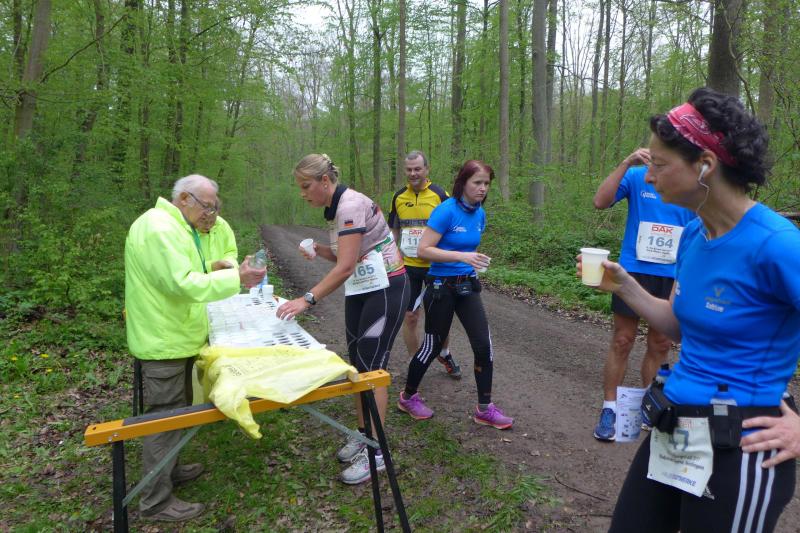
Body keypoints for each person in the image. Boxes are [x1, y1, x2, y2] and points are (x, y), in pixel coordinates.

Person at [577, 88, 800, 532]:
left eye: (659, 165)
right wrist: (625, 286)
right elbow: (679, 328)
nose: (649, 177)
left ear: (705, 165)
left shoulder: (777, 245)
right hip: (674, 425)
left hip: (743, 445)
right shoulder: (695, 236)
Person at [125, 174, 265, 522]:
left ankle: (170, 470)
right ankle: (155, 502)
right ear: (185, 198)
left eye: (214, 207)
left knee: (177, 413)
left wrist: (211, 267)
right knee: (163, 419)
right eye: (207, 206)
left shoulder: (175, 226)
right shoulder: (159, 228)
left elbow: (181, 272)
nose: (210, 214)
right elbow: (181, 284)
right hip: (163, 341)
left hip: (177, 337)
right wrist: (236, 278)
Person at [276, 154, 409, 485]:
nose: (302, 194)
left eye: (305, 186)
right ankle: (364, 434)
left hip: (386, 288)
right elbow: (346, 254)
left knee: (372, 370)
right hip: (363, 288)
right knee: (357, 364)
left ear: (324, 181)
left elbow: (346, 266)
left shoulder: (348, 205)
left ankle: (377, 453)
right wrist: (319, 249)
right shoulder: (334, 207)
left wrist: (307, 299)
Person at [396, 160, 513, 429]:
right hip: (440, 286)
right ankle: (408, 397)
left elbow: (470, 248)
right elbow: (424, 250)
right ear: (463, 183)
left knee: (483, 345)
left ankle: (485, 409)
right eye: (477, 183)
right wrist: (462, 256)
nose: (482, 188)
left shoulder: (480, 213)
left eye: (486, 184)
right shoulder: (445, 211)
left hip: (467, 285)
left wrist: (473, 261)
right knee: (432, 346)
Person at [591, 149, 694, 441]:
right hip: (634, 269)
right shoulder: (637, 176)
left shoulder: (687, 182)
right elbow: (600, 202)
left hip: (673, 271)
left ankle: (652, 408)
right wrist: (625, 163)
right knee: (622, 340)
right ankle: (610, 408)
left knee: (661, 343)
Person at [388, 150, 461, 378]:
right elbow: (394, 231)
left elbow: (452, 229)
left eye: (417, 169)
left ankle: (445, 353)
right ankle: (415, 362)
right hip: (408, 268)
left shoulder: (440, 195)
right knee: (410, 317)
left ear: (426, 169)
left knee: (439, 317)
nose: (413, 173)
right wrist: (389, 257)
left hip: (436, 267)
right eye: (409, 169)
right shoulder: (398, 197)